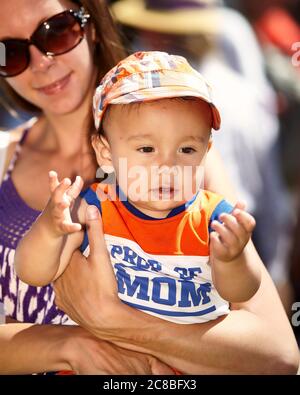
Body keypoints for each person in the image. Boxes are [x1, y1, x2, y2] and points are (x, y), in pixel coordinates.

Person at [0, 0, 298, 375]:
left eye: (56, 31)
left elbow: (278, 355)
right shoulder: (17, 164)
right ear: (104, 152)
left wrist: (120, 320)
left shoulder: (192, 176)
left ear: (90, 24)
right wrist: (69, 345)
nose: (41, 61)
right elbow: (34, 269)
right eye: (9, 51)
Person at [15, 52, 261, 330]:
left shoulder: (213, 217)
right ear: (106, 154)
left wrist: (232, 259)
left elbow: (241, 293)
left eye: (187, 149)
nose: (167, 165)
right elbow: (33, 273)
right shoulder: (93, 207)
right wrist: (50, 229)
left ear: (206, 152)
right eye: (146, 149)